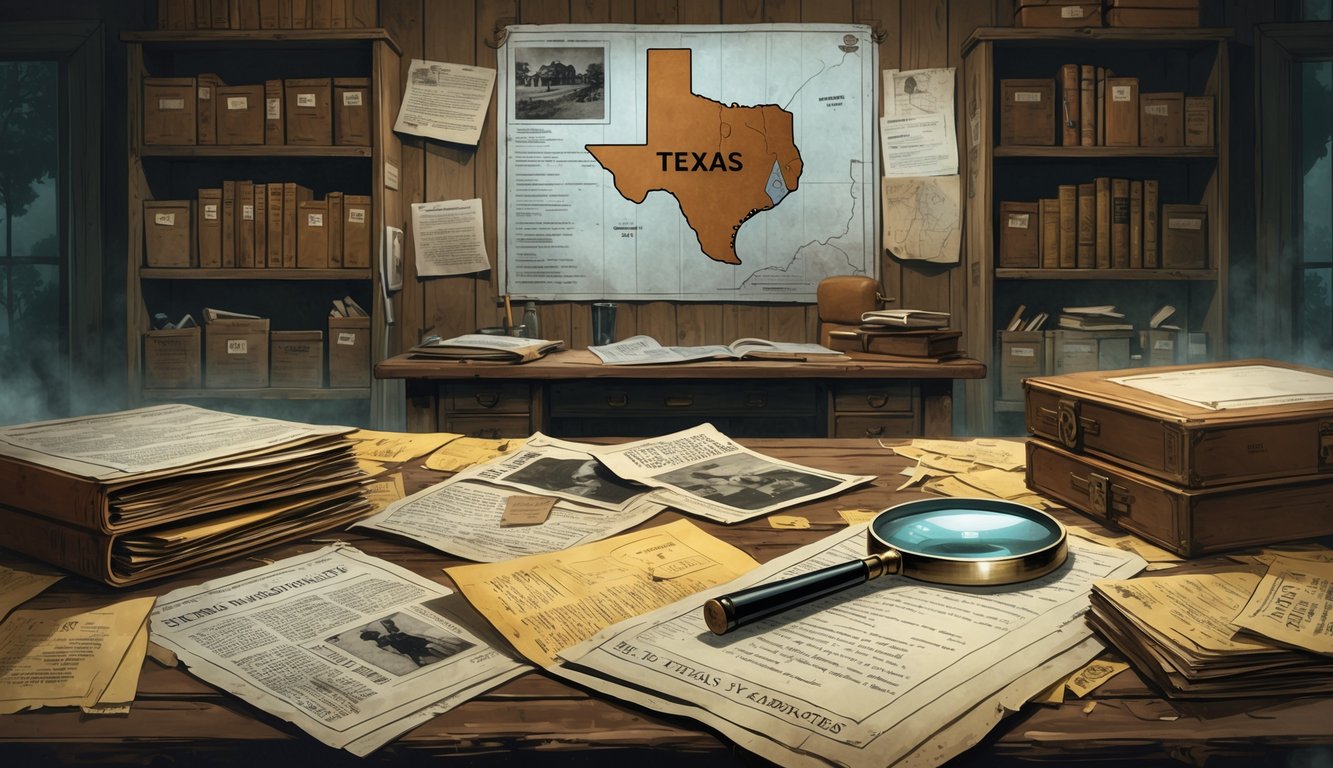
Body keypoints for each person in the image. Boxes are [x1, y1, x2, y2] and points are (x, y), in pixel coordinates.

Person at [359, 618, 461, 667]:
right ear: (371, 637)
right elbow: (393, 641)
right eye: (371, 633)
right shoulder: (382, 641)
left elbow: (395, 632)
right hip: (411, 647)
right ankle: (447, 659)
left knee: (432, 649)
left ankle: (448, 657)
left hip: (414, 644)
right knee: (427, 653)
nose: (374, 632)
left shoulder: (384, 638)